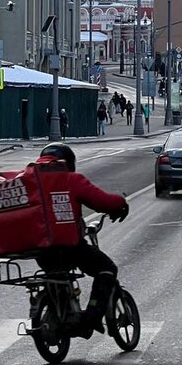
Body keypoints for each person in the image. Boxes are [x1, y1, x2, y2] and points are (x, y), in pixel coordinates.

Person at [35, 142, 129, 336]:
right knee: (107, 269)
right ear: (68, 163)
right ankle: (91, 318)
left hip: (40, 250)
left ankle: (62, 311)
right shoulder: (71, 180)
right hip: (69, 248)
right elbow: (101, 201)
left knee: (58, 274)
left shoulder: (31, 181)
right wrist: (120, 203)